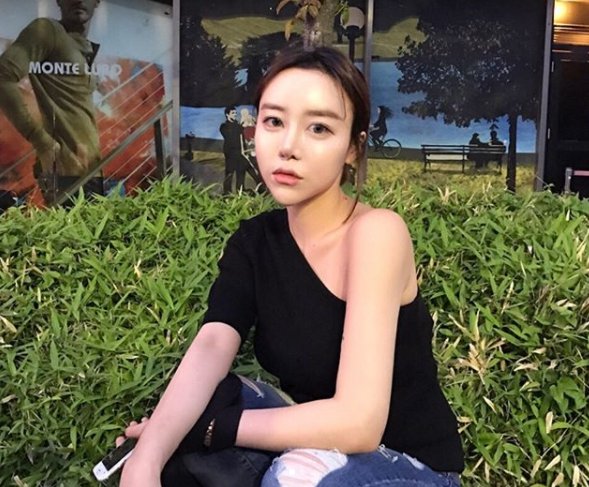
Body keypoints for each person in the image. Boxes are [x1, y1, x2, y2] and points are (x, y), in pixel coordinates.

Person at [117, 45, 464, 487]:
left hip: (410, 468)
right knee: (194, 414)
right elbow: (211, 346)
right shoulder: (255, 242)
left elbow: (359, 422)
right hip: (314, 449)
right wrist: (150, 454)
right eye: (273, 121)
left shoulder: (377, 233)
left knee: (293, 474)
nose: (288, 147)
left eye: (319, 128)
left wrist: (214, 428)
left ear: (353, 149)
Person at [0, 0, 103, 205]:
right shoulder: (47, 31)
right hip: (64, 169)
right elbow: (3, 75)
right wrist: (41, 141)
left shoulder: (82, 47)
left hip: (90, 167)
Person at [220, 105, 249, 194]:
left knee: (241, 173)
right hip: (230, 155)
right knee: (229, 174)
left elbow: (242, 139)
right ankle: (227, 193)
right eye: (233, 113)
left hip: (240, 153)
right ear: (227, 115)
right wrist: (240, 127)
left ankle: (240, 191)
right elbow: (230, 136)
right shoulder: (224, 126)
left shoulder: (238, 126)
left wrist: (245, 150)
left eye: (236, 113)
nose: (235, 115)